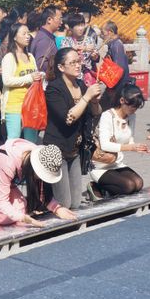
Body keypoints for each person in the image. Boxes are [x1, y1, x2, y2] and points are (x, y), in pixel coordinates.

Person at [0, 140, 75, 231]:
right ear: (34, 166)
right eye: (42, 174)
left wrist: (57, 209)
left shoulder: (35, 154)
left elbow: (41, 191)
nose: (41, 178)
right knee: (1, 214)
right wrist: (24, 219)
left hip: (0, 181)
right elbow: (2, 202)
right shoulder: (8, 162)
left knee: (20, 208)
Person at [44, 47, 104, 210]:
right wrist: (86, 97)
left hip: (75, 149)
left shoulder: (81, 85)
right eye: (73, 62)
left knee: (76, 203)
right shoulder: (53, 88)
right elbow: (68, 118)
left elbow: (96, 113)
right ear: (61, 67)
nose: (78, 65)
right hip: (57, 150)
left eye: (79, 61)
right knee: (65, 202)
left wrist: (94, 101)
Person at [86, 84, 150, 200]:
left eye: (136, 107)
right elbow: (105, 145)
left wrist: (139, 147)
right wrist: (131, 148)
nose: (134, 110)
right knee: (129, 186)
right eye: (132, 106)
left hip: (117, 162)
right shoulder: (107, 116)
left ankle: (110, 188)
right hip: (101, 164)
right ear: (122, 101)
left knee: (138, 183)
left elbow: (130, 140)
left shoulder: (132, 117)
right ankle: (96, 186)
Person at [0, 23, 44, 142]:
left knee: (31, 141)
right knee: (13, 140)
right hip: (14, 105)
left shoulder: (30, 56)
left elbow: (34, 78)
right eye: (24, 33)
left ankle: (28, 161)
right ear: (14, 37)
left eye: (28, 33)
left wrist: (40, 77)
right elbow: (7, 81)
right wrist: (30, 78)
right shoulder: (9, 57)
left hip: (31, 105)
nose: (28, 36)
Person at [60, 12, 99, 85]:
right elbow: (62, 57)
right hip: (71, 78)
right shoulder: (66, 41)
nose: (81, 28)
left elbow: (96, 59)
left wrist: (95, 56)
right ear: (71, 28)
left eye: (82, 25)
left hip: (87, 77)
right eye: (77, 26)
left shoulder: (90, 40)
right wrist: (76, 49)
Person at [101, 21, 131, 109]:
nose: (103, 37)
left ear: (110, 32)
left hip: (118, 85)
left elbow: (119, 68)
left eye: (104, 33)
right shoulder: (114, 44)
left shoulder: (116, 45)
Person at [30, 6, 62, 75]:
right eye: (59, 19)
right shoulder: (44, 39)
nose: (61, 22)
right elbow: (41, 65)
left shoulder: (47, 36)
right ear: (49, 20)